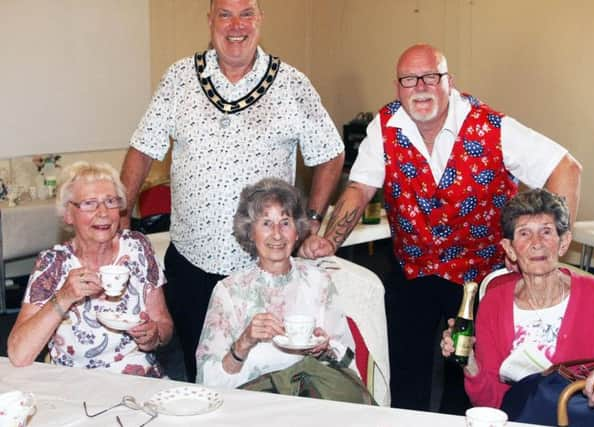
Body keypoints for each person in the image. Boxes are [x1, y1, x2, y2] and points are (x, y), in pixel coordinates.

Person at [299, 43, 582, 413]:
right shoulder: (384, 127)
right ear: (397, 87)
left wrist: (550, 247)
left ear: (450, 82)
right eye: (409, 79)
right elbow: (360, 188)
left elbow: (566, 169)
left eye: (431, 77)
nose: (420, 87)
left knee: (469, 379)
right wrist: (329, 242)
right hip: (412, 270)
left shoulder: (492, 127)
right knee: (403, 374)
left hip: (478, 277)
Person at [119, 0, 344, 382]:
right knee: (201, 375)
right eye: (225, 14)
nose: (235, 25)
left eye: (246, 13)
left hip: (263, 270)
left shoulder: (292, 83)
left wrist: (310, 222)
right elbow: (142, 149)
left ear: (260, 20)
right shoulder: (179, 79)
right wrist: (120, 216)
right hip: (193, 263)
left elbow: (331, 153)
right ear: (210, 21)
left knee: (268, 372)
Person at [440, 189, 594, 412]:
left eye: (546, 232)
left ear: (563, 243)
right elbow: (489, 402)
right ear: (510, 249)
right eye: (524, 234)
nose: (537, 243)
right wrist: (470, 364)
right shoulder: (494, 302)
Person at [7, 162, 173, 376]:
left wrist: (154, 335)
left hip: (139, 378)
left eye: (111, 201)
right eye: (89, 203)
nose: (103, 213)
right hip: (77, 382)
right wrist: (64, 296)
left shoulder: (138, 247)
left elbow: (164, 323)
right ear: (68, 214)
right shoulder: (53, 264)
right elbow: (19, 354)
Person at [195, 177, 356, 389]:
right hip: (251, 406)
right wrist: (244, 342)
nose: (277, 234)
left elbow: (349, 363)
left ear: (297, 231)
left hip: (311, 400)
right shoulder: (229, 292)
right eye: (266, 223)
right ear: (251, 233)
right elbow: (208, 381)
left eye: (285, 222)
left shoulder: (319, 282)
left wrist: (324, 349)